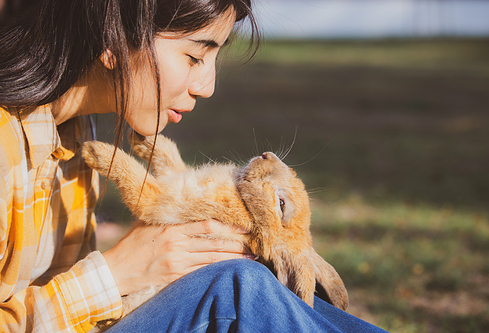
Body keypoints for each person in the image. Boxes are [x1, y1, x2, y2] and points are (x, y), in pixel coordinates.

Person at [0, 0, 388, 332]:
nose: (207, 86)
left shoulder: (73, 130)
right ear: (110, 38)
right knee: (239, 287)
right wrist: (115, 273)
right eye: (194, 56)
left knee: (242, 282)